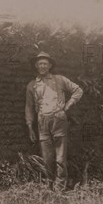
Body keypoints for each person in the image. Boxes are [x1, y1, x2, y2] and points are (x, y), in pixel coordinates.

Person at [25, 52, 83, 190]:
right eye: (40, 64)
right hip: (42, 120)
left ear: (50, 65)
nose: (42, 66)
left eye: (45, 63)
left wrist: (68, 105)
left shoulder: (60, 79)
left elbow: (78, 90)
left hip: (58, 119)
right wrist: (29, 126)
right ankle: (49, 183)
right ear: (36, 66)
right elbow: (29, 106)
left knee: (60, 156)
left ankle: (60, 185)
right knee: (47, 156)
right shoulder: (32, 85)